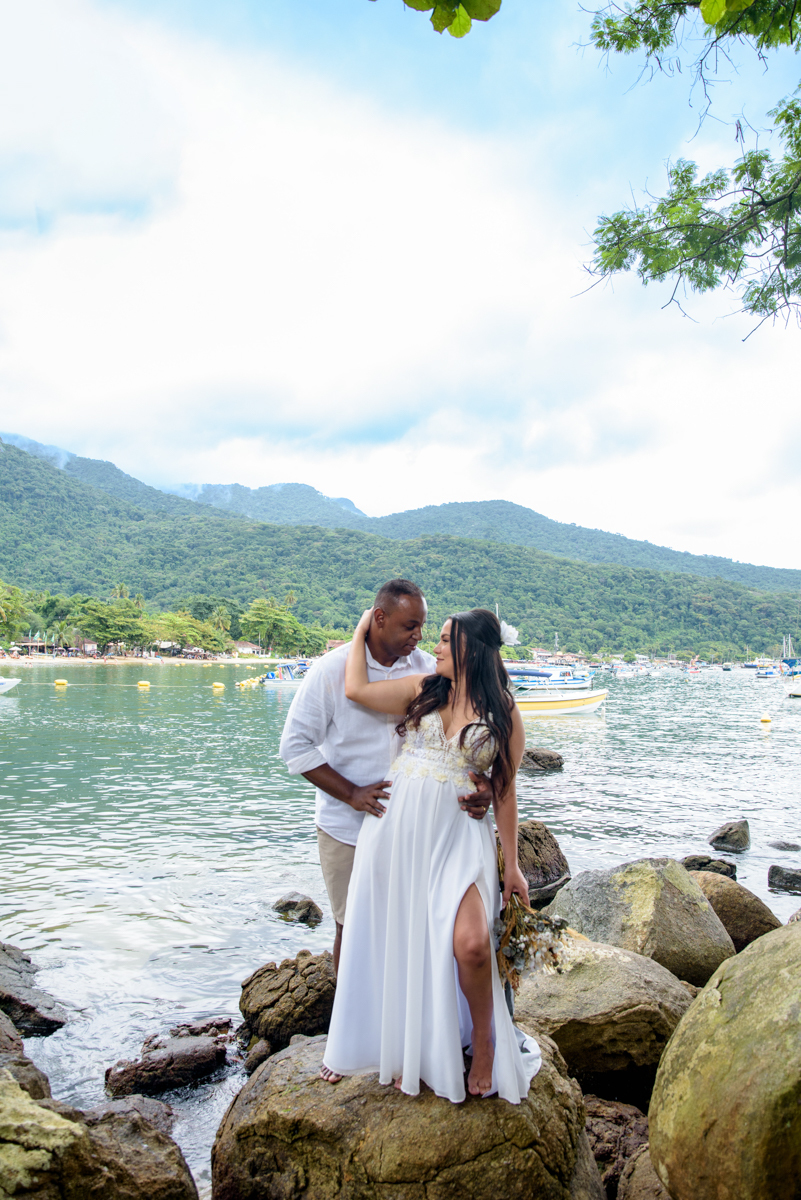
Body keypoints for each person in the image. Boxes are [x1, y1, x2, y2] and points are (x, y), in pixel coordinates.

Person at [321, 607, 541, 1103]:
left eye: (445, 639)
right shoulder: (422, 689)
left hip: (458, 839)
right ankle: (409, 1047)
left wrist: (514, 867)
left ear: (471, 650)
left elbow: (504, 792)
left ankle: (483, 1041)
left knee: (471, 945)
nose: (435, 647)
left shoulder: (503, 709)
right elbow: (356, 689)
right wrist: (360, 629)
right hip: (396, 839)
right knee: (406, 940)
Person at [279, 579, 494, 975]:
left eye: (423, 626)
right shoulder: (332, 670)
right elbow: (294, 746)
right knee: (352, 926)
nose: (419, 635)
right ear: (379, 618)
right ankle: (348, 1029)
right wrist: (351, 793)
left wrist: (484, 786)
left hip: (414, 828)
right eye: (409, 626)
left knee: (411, 926)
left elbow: (463, 730)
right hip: (346, 826)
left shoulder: (429, 668)